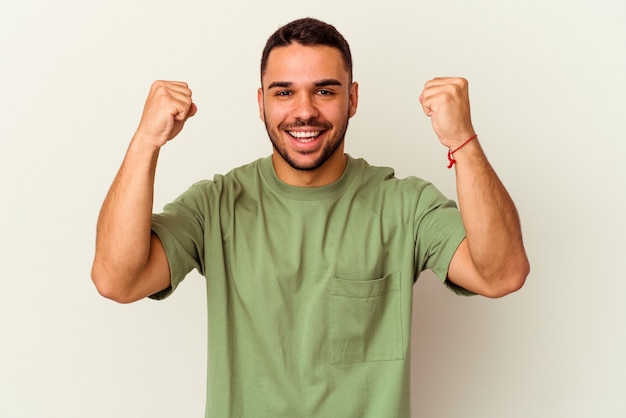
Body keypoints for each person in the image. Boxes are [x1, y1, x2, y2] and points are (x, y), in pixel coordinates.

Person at [91, 17, 529, 418]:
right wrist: (146, 141)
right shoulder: (216, 205)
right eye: (284, 92)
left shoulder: (403, 205)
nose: (304, 111)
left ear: (352, 99)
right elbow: (117, 280)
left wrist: (462, 140)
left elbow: (502, 274)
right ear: (261, 103)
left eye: (325, 90)